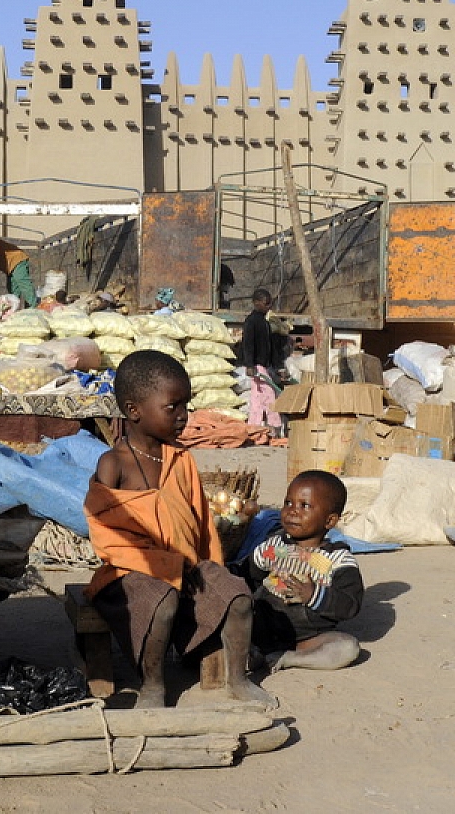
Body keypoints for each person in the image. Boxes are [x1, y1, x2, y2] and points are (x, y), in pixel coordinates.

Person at [83, 350, 273, 709]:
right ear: (134, 409)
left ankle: (238, 678)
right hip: (131, 573)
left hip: (188, 567)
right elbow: (107, 536)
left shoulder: (181, 459)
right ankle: (153, 684)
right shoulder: (113, 464)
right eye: (173, 407)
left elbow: (202, 526)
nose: (184, 416)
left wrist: (211, 569)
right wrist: (165, 567)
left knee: (237, 596)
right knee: (163, 601)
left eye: (186, 405)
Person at [246, 470, 363, 672]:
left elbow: (350, 605)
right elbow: (247, 575)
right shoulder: (273, 546)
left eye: (304, 506)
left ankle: (289, 658)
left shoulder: (337, 560)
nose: (292, 511)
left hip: (306, 638)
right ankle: (253, 652)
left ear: (330, 521)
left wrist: (313, 594)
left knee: (348, 648)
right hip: (260, 627)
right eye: (288, 503)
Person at [239, 289, 282, 434]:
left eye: (270, 303)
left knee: (257, 398)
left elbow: (270, 347)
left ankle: (254, 426)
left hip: (264, 365)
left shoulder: (265, 322)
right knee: (270, 394)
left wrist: (276, 366)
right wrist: (249, 364)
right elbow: (248, 344)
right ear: (257, 303)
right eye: (266, 303)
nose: (269, 306)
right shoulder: (251, 322)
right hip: (257, 365)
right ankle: (275, 425)